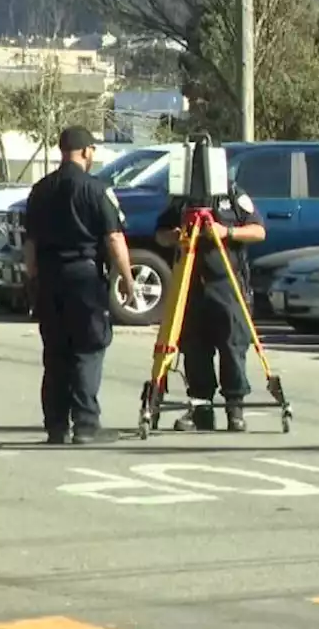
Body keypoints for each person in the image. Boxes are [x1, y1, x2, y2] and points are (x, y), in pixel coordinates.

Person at [23, 126, 136, 445]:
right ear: (87, 152)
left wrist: (31, 280)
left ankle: (56, 425)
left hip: (49, 278)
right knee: (88, 348)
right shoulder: (95, 189)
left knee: (56, 352)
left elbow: (30, 244)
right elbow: (114, 237)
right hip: (84, 278)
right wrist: (127, 278)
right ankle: (86, 424)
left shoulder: (40, 190)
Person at [154, 177, 266, 432]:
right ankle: (201, 409)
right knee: (193, 348)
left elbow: (259, 231)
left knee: (232, 345)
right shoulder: (181, 199)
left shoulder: (232, 195)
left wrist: (227, 232)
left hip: (226, 283)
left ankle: (235, 409)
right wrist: (173, 236)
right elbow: (159, 234)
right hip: (190, 284)